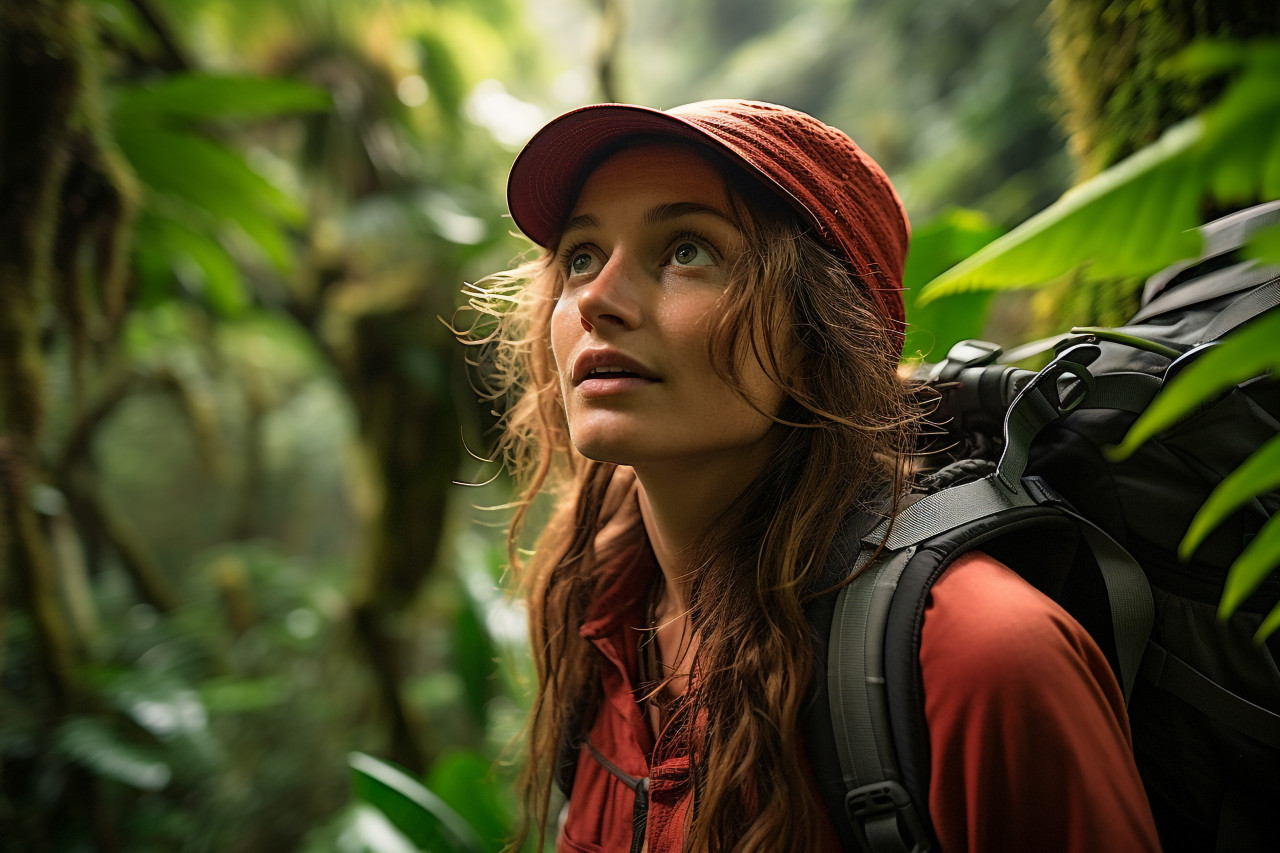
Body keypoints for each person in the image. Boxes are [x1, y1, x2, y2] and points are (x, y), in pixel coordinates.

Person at [465, 100, 1162, 852]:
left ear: (817, 333)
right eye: (580, 255)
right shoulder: (598, 610)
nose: (596, 298)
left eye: (687, 249)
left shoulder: (978, 656)